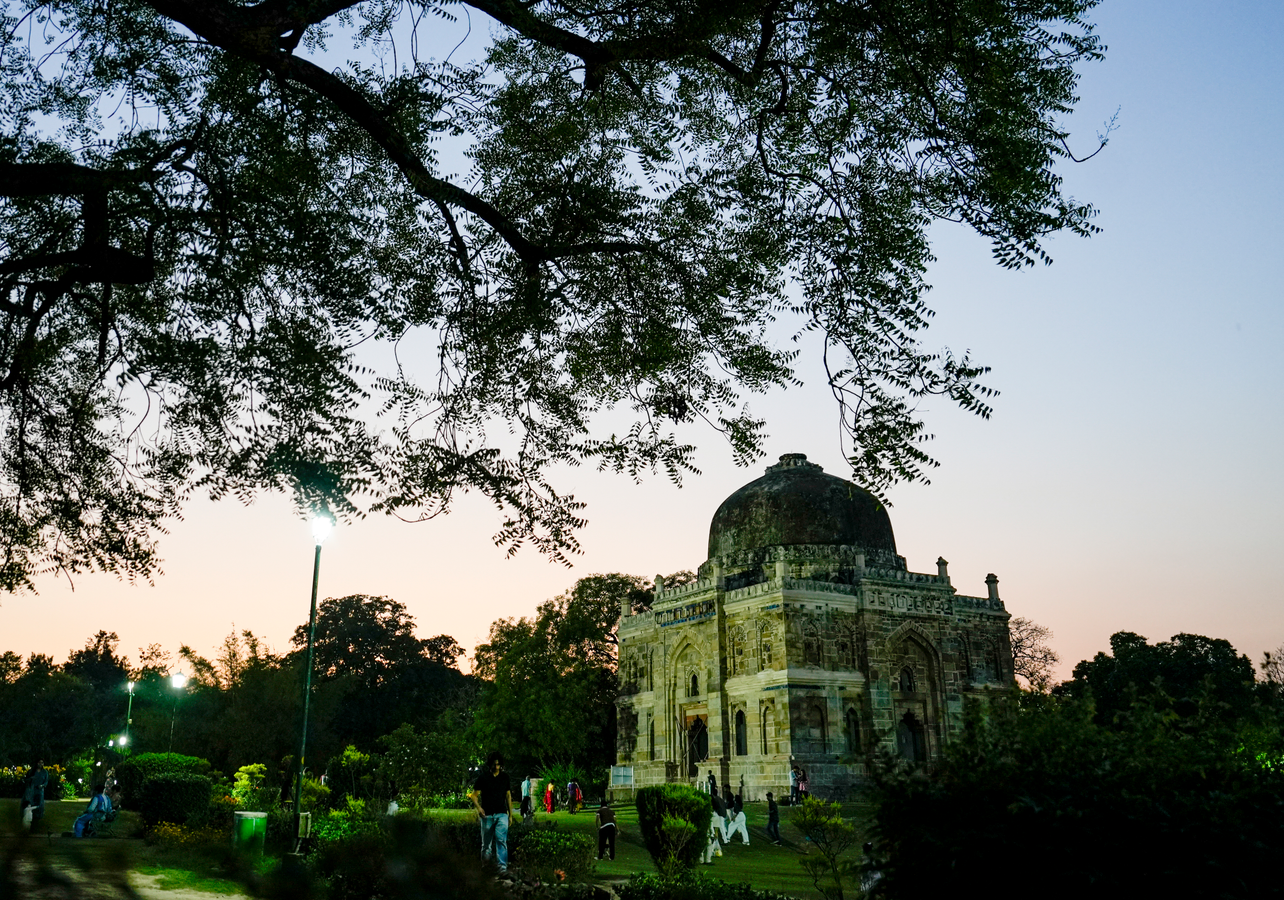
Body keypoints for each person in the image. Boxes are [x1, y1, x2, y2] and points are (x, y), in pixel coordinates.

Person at [468, 751, 514, 873]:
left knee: (501, 841)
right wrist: (478, 808)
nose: (496, 767)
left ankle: (502, 868)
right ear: (490, 765)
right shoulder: (483, 778)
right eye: (494, 764)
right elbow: (474, 795)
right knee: (486, 845)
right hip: (487, 814)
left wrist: (510, 815)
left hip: (501, 813)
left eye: (498, 764)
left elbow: (508, 795)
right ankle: (486, 867)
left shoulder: (505, 778)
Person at [20, 760, 48, 829]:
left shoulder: (44, 772)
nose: (40, 764)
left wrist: (42, 785)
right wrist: (31, 779)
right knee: (29, 807)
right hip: (31, 791)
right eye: (39, 762)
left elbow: (46, 781)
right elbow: (26, 780)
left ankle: (36, 824)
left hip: (39, 792)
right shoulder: (31, 771)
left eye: (42, 763)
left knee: (38, 807)